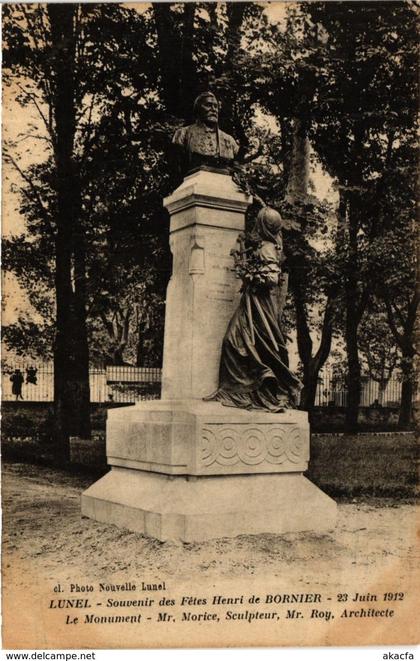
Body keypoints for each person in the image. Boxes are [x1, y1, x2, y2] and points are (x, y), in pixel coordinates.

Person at [205, 207, 302, 412]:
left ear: (263, 225)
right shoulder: (267, 244)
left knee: (236, 342)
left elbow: (272, 279)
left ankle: (252, 391)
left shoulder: (267, 247)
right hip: (252, 301)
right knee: (237, 342)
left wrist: (251, 277)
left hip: (259, 305)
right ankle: (240, 390)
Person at [172, 91, 239, 174]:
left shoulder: (229, 140)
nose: (213, 109)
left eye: (216, 106)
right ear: (198, 109)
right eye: (208, 105)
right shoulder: (183, 134)